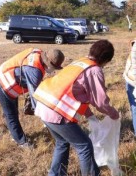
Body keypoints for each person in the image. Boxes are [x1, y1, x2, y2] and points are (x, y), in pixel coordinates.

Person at [33, 40, 120, 176]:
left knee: (62, 142)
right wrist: (114, 114)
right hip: (57, 112)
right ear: (106, 59)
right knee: (84, 146)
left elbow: (76, 92)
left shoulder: (81, 62)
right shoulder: (94, 70)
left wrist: (89, 115)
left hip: (44, 104)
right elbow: (100, 102)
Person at [0, 48, 65, 147]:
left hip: (10, 77)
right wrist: (48, 120)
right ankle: (21, 141)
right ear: (48, 64)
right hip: (2, 82)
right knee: (11, 114)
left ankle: (15, 134)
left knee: (13, 112)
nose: (53, 71)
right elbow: (36, 101)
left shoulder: (38, 54)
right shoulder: (34, 71)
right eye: (53, 67)